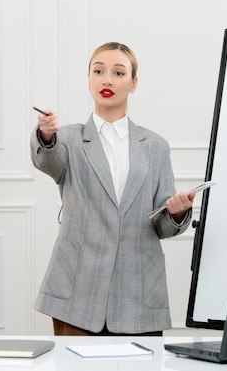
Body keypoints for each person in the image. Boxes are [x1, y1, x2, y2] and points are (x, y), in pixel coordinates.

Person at [30, 42, 195, 336]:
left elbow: (162, 224)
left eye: (119, 73)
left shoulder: (156, 146)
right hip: (76, 294)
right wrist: (45, 134)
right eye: (99, 71)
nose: (107, 79)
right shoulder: (66, 138)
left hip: (138, 294)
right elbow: (48, 159)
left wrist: (178, 214)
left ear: (133, 83)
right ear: (89, 80)